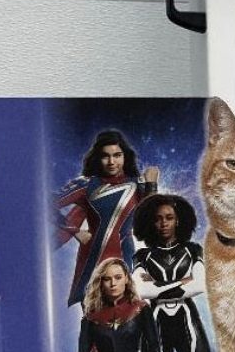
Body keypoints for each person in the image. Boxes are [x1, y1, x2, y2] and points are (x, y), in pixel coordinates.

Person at [56, 130, 159, 308]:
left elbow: (151, 218)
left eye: (117, 155)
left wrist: (151, 185)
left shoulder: (137, 185)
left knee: (129, 326)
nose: (112, 162)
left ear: (125, 156)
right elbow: (45, 203)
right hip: (94, 263)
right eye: (105, 156)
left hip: (126, 262)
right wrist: (75, 231)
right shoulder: (87, 184)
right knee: (96, 327)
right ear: (98, 158)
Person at [131, 194, 215, 352]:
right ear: (150, 222)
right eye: (158, 219)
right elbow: (141, 290)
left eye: (169, 218)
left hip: (188, 321)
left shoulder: (193, 250)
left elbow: (199, 285)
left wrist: (157, 287)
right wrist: (183, 282)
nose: (164, 223)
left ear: (178, 220)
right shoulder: (142, 256)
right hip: (154, 326)